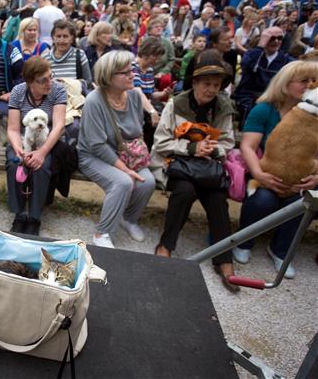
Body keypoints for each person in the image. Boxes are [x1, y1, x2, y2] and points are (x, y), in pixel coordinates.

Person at [151, 50, 239, 292]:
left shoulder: (223, 107)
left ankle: (223, 258)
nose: (211, 89)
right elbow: (160, 142)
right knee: (184, 190)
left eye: (216, 85)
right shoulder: (176, 104)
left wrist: (212, 149)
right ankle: (165, 245)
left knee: (218, 197)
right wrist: (191, 147)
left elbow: (229, 142)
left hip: (207, 167)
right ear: (195, 83)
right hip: (178, 165)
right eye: (206, 84)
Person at [232, 61, 318, 278]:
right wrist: (259, 173)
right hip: (266, 172)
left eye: (313, 80)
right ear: (285, 83)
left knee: (303, 204)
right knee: (263, 200)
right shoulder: (265, 110)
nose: (309, 85)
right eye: (303, 80)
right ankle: (243, 241)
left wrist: (316, 178)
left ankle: (281, 250)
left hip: (301, 178)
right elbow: (248, 146)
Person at [78, 50, 156, 249]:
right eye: (125, 72)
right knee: (123, 182)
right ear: (108, 77)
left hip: (124, 152)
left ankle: (128, 219)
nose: (132, 75)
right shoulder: (94, 101)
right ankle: (101, 233)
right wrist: (127, 170)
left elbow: (137, 130)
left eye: (132, 70)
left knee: (148, 182)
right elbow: (96, 145)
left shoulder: (134, 97)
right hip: (93, 155)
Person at [6, 57, 66, 236]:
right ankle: (19, 214)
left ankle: (34, 217)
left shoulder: (58, 90)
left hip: (46, 142)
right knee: (14, 163)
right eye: (43, 80)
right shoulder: (18, 92)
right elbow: (13, 128)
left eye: (50, 76)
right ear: (30, 82)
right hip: (24, 140)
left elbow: (59, 126)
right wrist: (19, 149)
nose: (49, 83)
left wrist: (41, 153)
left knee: (42, 166)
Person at [233, 27, 293, 128]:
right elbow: (246, 65)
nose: (276, 41)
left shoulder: (287, 61)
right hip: (249, 98)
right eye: (272, 38)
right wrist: (260, 46)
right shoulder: (252, 54)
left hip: (274, 100)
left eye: (279, 38)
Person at [42, 19, 92, 85]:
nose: (61, 40)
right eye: (58, 36)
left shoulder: (79, 55)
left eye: (65, 36)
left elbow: (88, 81)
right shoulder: (45, 58)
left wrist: (69, 83)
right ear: (53, 38)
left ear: (71, 38)